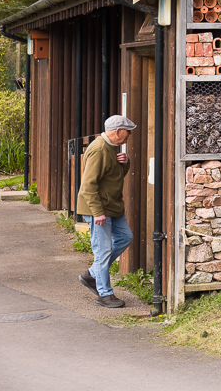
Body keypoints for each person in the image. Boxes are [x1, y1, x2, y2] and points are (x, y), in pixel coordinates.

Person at [75, 114, 135, 308]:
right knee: (103, 251)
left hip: (113, 207)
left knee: (125, 237)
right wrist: (97, 212)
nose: (128, 137)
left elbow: (113, 177)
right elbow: (87, 185)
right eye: (127, 133)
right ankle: (105, 294)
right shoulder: (99, 149)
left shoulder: (112, 148)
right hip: (99, 209)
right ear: (117, 131)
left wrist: (125, 165)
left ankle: (92, 274)